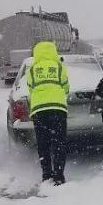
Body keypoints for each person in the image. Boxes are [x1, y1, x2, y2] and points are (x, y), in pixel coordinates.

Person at [26, 41, 69, 186]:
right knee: (59, 143)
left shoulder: (32, 69)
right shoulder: (59, 66)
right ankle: (58, 175)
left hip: (39, 110)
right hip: (58, 108)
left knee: (43, 143)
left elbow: (31, 89)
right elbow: (66, 87)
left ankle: (46, 174)